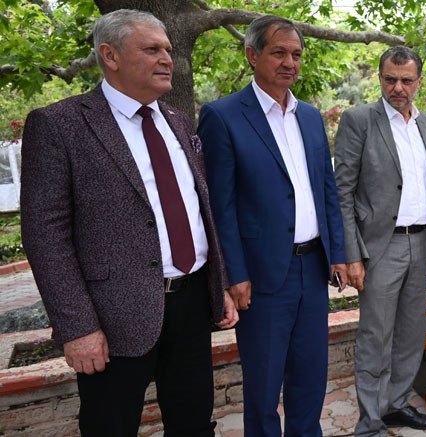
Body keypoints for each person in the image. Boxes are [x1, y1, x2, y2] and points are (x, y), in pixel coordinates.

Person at [19, 9, 238, 436]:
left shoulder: (176, 120)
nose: (167, 59)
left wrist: (220, 284)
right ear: (110, 55)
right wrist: (78, 327)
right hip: (113, 316)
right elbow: (45, 237)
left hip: (191, 303)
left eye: (168, 50)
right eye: (152, 49)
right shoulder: (60, 125)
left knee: (194, 425)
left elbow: (199, 210)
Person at [197, 15, 347, 436]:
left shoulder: (310, 116)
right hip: (262, 276)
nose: (289, 63)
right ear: (252, 55)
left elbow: (327, 190)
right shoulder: (222, 116)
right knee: (264, 388)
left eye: (296, 54)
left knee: (310, 378)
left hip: (312, 269)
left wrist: (338, 253)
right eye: (279, 52)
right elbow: (220, 206)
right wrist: (234, 274)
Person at [333, 45, 426, 436]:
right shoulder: (359, 120)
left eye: (406, 80)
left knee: (412, 334)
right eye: (390, 79)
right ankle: (370, 422)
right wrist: (352, 254)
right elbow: (343, 191)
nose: (398, 88)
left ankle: (396, 405)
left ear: (419, 82)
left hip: (422, 242)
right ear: (380, 78)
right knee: (375, 337)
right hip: (381, 246)